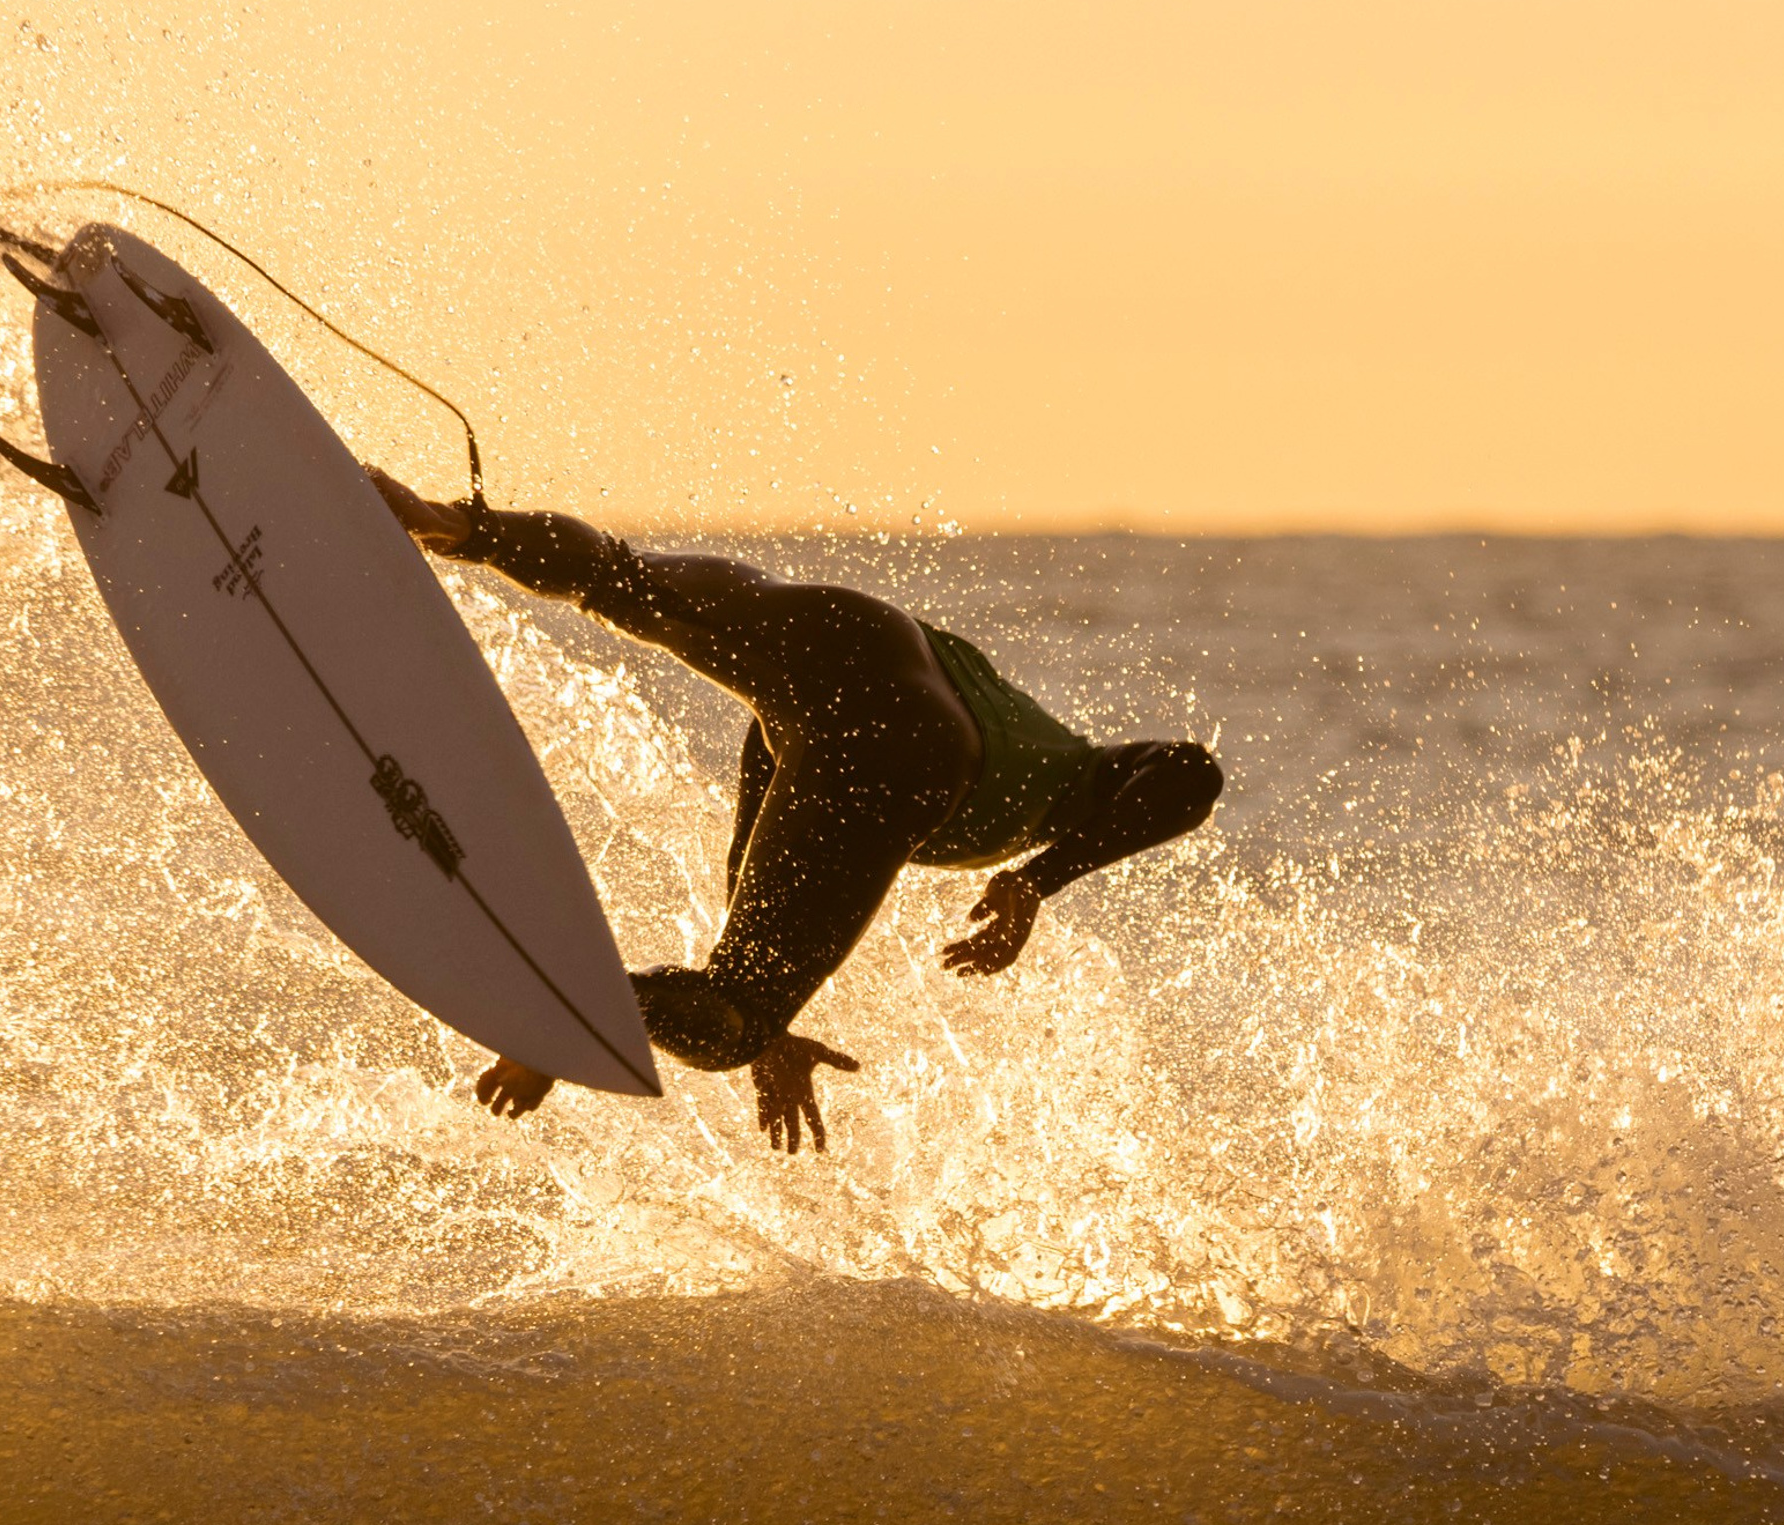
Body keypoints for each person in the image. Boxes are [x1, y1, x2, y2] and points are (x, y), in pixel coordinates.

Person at [369, 472, 1222, 1152]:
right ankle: (571, 1017)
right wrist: (1035, 882)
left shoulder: (1050, 741)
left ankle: (445, 523)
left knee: (620, 578)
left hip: (862, 635)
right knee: (730, 1029)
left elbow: (767, 839)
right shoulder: (1068, 788)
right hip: (910, 756)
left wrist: (766, 1004)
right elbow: (1194, 773)